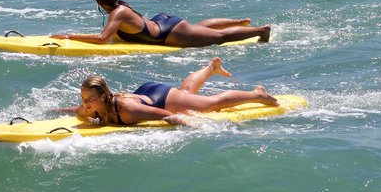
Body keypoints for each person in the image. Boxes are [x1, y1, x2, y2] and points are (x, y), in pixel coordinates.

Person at [67, 57, 279, 126]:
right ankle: (211, 68)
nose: (85, 103)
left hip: (159, 99)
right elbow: (73, 109)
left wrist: (193, 126)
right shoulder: (90, 108)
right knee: (186, 93)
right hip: (145, 93)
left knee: (211, 105)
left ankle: (258, 94)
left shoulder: (128, 110)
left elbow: (167, 115)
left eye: (90, 99)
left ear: (103, 96)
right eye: (84, 98)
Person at [53, 0, 270, 46]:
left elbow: (102, 39)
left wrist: (69, 36)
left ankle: (260, 30)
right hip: (163, 22)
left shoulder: (117, 13)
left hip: (169, 32)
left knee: (219, 39)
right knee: (198, 28)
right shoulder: (121, 8)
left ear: (99, 1)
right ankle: (239, 21)